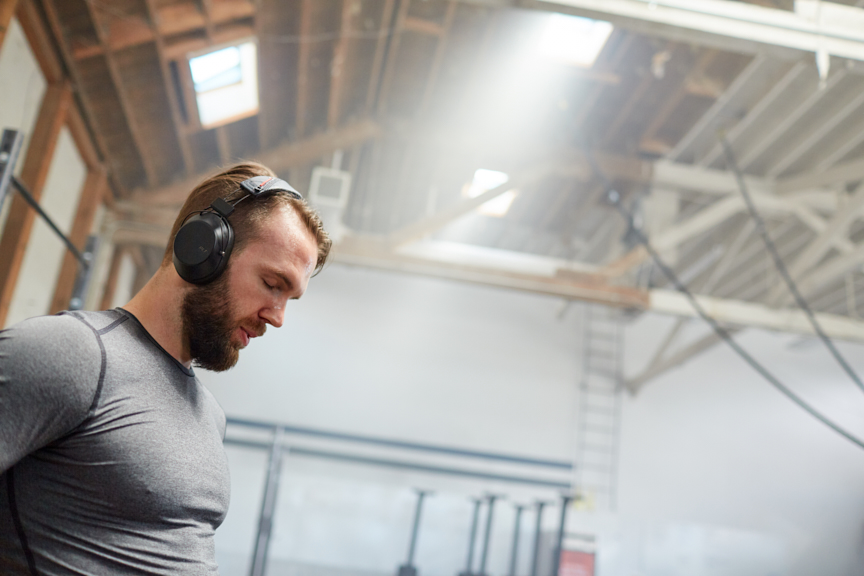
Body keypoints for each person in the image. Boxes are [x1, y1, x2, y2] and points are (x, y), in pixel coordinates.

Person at [0, 162, 331, 575]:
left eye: (290, 298)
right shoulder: (73, 354)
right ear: (203, 248)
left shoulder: (209, 414)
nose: (277, 317)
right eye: (272, 283)